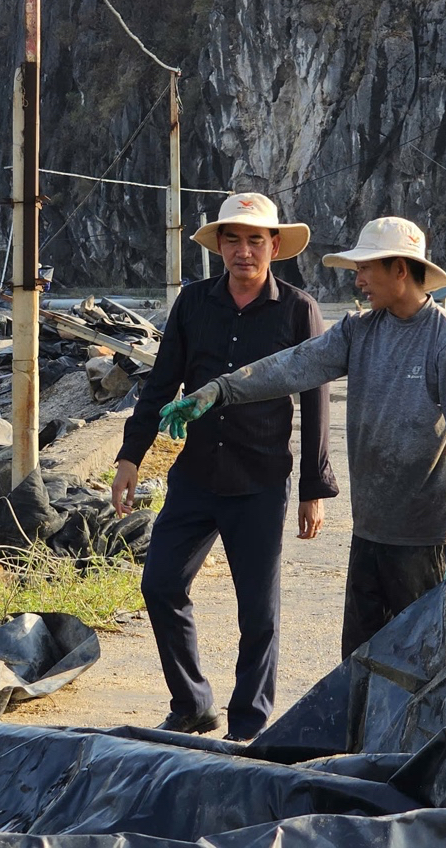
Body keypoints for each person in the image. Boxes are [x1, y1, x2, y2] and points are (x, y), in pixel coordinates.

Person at [160, 216, 446, 658]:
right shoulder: (359, 331)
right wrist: (219, 390)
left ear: (400, 270)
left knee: (422, 662)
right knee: (360, 661)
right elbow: (291, 365)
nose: (358, 280)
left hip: (423, 538)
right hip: (369, 529)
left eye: (365, 269)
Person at [111, 192, 338, 742]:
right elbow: (161, 383)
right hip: (195, 477)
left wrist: (312, 487)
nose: (243, 251)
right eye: (232, 240)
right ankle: (192, 704)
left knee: (258, 614)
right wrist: (129, 457)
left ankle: (248, 726)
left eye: (255, 240)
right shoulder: (192, 304)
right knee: (161, 584)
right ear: (219, 248)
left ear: (275, 246)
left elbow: (315, 402)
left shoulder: (297, 309)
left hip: (260, 481)